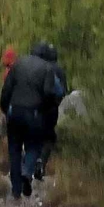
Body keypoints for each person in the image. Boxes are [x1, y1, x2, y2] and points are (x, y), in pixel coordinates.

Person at [0, 41, 66, 199]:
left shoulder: (18, 64)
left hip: (14, 111)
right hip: (34, 113)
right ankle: (27, 173)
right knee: (33, 145)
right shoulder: (47, 68)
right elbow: (51, 92)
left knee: (14, 149)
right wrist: (45, 109)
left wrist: (5, 109)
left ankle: (16, 191)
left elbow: (7, 89)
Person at [31, 42, 67, 180]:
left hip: (33, 107)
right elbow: (62, 91)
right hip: (51, 108)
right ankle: (41, 162)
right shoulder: (57, 70)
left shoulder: (34, 68)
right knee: (49, 137)